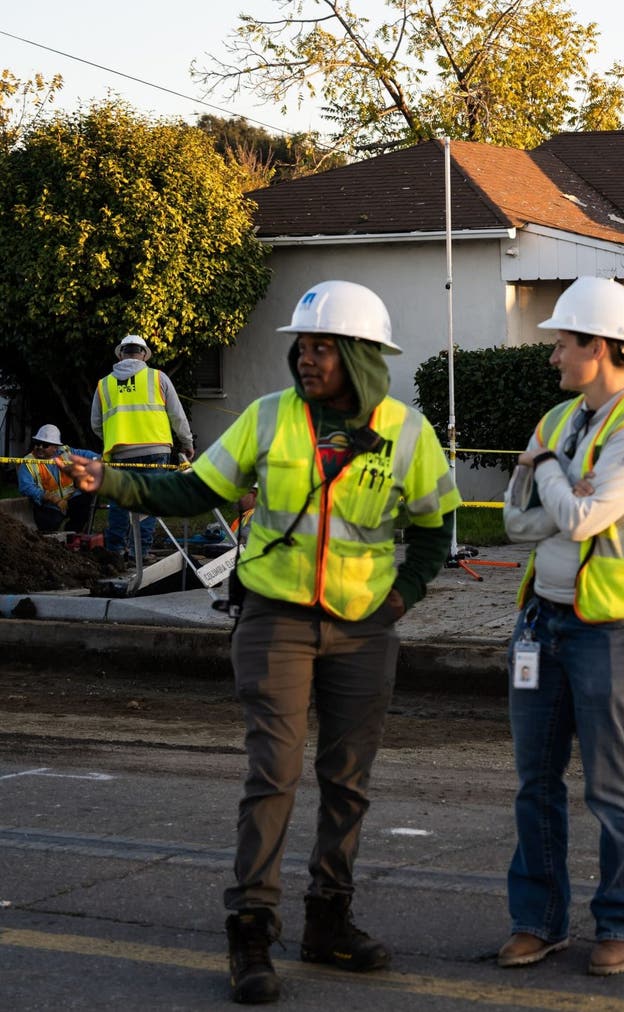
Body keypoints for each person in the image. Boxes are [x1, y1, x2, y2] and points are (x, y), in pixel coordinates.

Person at [61, 280, 461, 1004]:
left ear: (360, 355)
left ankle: (328, 922)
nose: (305, 360)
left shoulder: (407, 432)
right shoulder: (268, 418)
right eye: (301, 347)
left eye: (321, 348)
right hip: (274, 620)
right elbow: (193, 491)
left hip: (364, 630)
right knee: (273, 776)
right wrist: (113, 481)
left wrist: (404, 596)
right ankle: (251, 927)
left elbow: (437, 530)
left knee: (347, 782)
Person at [497, 276, 624, 977]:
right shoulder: (559, 419)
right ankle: (537, 923)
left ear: (599, 346)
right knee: (534, 781)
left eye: (563, 343)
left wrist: (547, 471)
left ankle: (619, 923)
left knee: (610, 784)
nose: (553, 358)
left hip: (616, 628)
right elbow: (518, 520)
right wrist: (560, 481)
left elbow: (581, 519)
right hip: (541, 620)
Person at [90, 333, 195, 556]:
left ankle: (116, 550)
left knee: (119, 503)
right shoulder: (158, 378)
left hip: (119, 452)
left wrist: (114, 437)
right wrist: (186, 443)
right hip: (155, 449)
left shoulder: (104, 384)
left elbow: (96, 424)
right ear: (144, 355)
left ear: (121, 355)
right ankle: (140, 552)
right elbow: (177, 415)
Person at [17, 424, 98, 533]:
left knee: (84, 503)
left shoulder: (64, 452)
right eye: (37, 443)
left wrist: (102, 459)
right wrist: (52, 498)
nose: (40, 447)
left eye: (45, 445)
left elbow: (86, 455)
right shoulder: (28, 462)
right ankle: (52, 543)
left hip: (70, 499)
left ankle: (72, 536)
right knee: (48, 525)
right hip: (48, 505)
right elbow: (26, 487)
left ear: (55, 447)